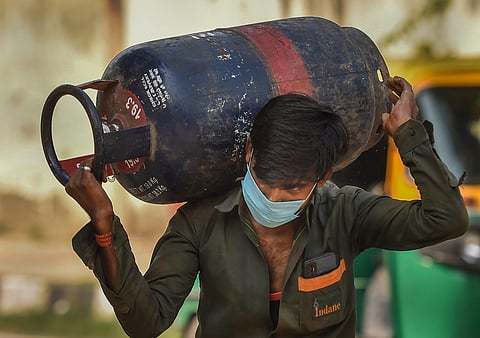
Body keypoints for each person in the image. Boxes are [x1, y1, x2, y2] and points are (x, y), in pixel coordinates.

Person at [66, 76, 468, 338]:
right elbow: (146, 321)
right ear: (249, 152)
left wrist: (408, 135)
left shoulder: (345, 213)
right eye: (264, 182)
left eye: (292, 189)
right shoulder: (200, 222)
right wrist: (105, 226)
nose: (273, 199)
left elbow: (446, 219)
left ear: (322, 178)